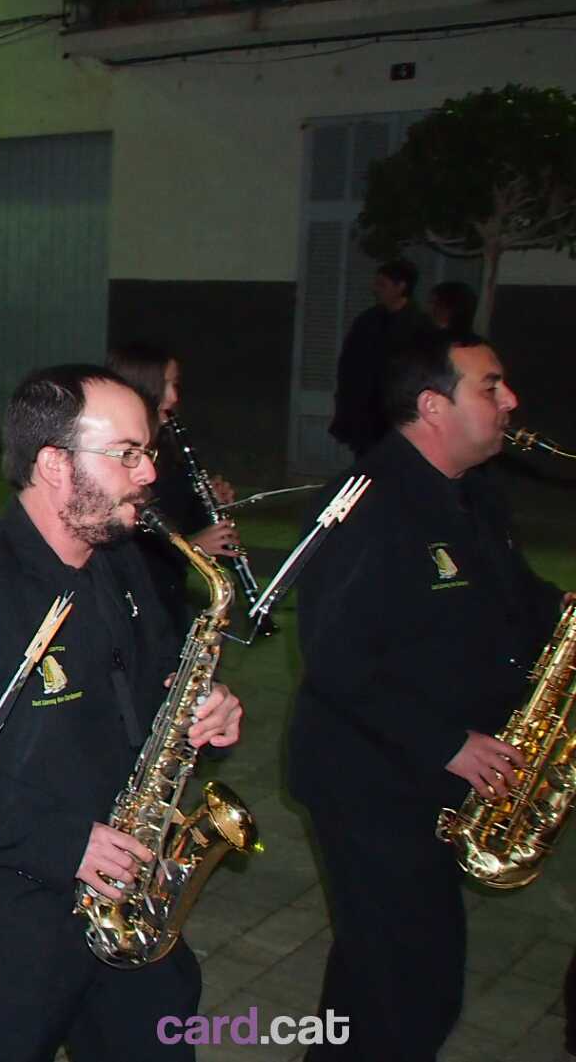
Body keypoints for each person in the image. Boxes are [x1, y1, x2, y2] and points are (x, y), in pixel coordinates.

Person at [0, 365, 244, 1062]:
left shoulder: (124, 566)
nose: (148, 474)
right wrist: (66, 841)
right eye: (127, 454)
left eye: (147, 453)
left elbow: (159, 685)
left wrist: (207, 707)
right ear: (55, 465)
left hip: (128, 905)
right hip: (15, 932)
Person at [288, 332, 567, 1060]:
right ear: (433, 406)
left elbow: (516, 598)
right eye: (491, 387)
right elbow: (335, 659)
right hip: (370, 781)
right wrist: (448, 742)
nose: (511, 401)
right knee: (414, 987)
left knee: (374, 976)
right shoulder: (365, 505)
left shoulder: (475, 492)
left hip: (430, 783)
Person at [107, 342, 241, 628]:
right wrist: (190, 548)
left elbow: (176, 516)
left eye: (174, 384)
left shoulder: (169, 450)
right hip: (133, 607)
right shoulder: (114, 458)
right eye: (164, 385)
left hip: (169, 601)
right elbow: (119, 549)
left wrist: (207, 504)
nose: (173, 396)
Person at [329, 259, 424, 456]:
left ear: (401, 287)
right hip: (365, 414)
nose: (375, 289)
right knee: (365, 464)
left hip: (399, 415)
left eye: (382, 284)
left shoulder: (419, 325)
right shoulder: (367, 321)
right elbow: (349, 366)